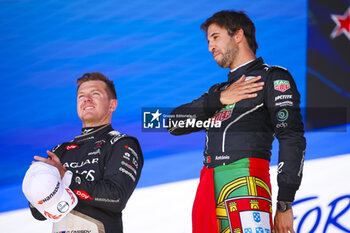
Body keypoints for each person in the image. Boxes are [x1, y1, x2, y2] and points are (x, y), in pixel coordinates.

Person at [167, 10, 306, 233]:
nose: (210, 47)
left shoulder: (273, 77)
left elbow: (291, 138)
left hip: (246, 179)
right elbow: (173, 124)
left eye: (215, 37)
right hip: (208, 185)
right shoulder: (217, 91)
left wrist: (285, 202)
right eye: (208, 41)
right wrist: (220, 99)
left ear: (238, 35)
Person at [29, 72, 143, 233]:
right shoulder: (59, 151)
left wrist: (66, 177)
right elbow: (38, 214)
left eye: (95, 94)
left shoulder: (121, 143)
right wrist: (38, 184)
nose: (86, 99)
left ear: (112, 105)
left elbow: (116, 197)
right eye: (81, 96)